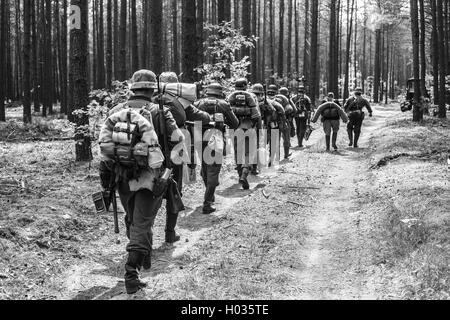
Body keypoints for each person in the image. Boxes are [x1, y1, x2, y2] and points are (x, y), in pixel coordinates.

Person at [98, 70, 184, 294]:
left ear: (132, 88)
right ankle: (131, 271)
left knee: (133, 218)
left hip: (121, 177)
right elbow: (178, 139)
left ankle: (142, 254)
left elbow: (105, 148)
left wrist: (105, 183)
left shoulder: (116, 111)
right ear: (152, 89)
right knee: (142, 223)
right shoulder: (159, 110)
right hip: (150, 178)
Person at [155, 72, 211, 243]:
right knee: (174, 189)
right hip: (174, 151)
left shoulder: (150, 98)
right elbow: (202, 117)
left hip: (149, 151)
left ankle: (143, 233)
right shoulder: (180, 101)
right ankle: (170, 233)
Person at [195, 83, 239, 214]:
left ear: (207, 91)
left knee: (204, 168)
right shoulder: (223, 104)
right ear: (220, 92)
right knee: (213, 170)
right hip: (216, 138)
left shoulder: (198, 103)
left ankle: (210, 193)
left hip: (199, 139)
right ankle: (207, 203)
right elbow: (235, 123)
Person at [228, 78, 262, 190]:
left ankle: (239, 176)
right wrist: (259, 128)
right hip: (249, 128)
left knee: (238, 152)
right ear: (245, 86)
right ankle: (244, 174)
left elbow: (226, 113)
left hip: (235, 128)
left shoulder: (230, 96)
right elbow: (257, 115)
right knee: (249, 153)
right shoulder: (251, 96)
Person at [267, 85, 293, 159]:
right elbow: (291, 110)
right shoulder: (284, 99)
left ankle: (274, 156)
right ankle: (286, 154)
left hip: (270, 123)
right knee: (286, 138)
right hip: (283, 121)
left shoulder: (266, 99)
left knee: (274, 140)